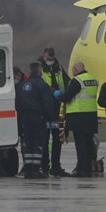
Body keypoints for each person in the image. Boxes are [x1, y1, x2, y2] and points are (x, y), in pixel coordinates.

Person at [55, 62, 99, 177]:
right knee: (89, 143)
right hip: (91, 116)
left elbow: (68, 96)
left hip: (78, 117)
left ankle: (81, 170)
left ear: (75, 69)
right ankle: (88, 169)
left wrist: (58, 97)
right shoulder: (93, 79)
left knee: (80, 145)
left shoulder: (77, 81)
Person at [16, 63, 57, 179]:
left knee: (27, 144)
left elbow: (17, 105)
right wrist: (51, 118)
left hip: (24, 117)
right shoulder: (42, 85)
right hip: (38, 117)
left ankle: (28, 168)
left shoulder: (21, 85)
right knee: (38, 143)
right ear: (39, 71)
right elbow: (47, 104)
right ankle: (35, 169)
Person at [37, 47, 69, 177]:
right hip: (44, 109)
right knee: (44, 140)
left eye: (52, 59)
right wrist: (53, 91)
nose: (50, 61)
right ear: (43, 57)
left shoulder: (59, 68)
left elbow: (67, 83)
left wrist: (65, 94)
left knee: (58, 139)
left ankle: (56, 166)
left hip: (58, 110)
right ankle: (45, 166)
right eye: (48, 59)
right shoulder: (39, 69)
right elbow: (40, 85)